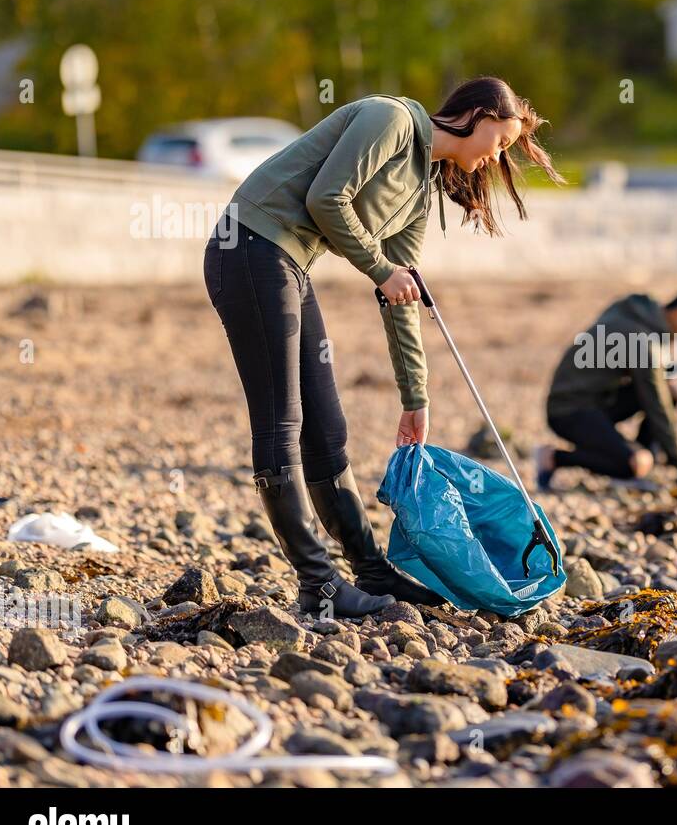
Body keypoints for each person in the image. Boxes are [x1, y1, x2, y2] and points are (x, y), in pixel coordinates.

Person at [204, 77, 565, 619]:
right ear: (478, 116)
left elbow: (402, 294)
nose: (498, 155)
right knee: (283, 424)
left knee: (328, 430)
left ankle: (371, 573)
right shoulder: (391, 120)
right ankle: (318, 584)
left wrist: (415, 396)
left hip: (289, 264)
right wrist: (379, 268)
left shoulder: (420, 189)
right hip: (249, 248)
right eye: (502, 141)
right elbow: (326, 198)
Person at [535, 290, 677, 498]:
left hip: (592, 399)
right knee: (635, 462)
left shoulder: (633, 313)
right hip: (569, 411)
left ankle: (639, 458)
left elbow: (645, 369)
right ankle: (554, 458)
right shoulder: (644, 340)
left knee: (669, 393)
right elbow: (657, 404)